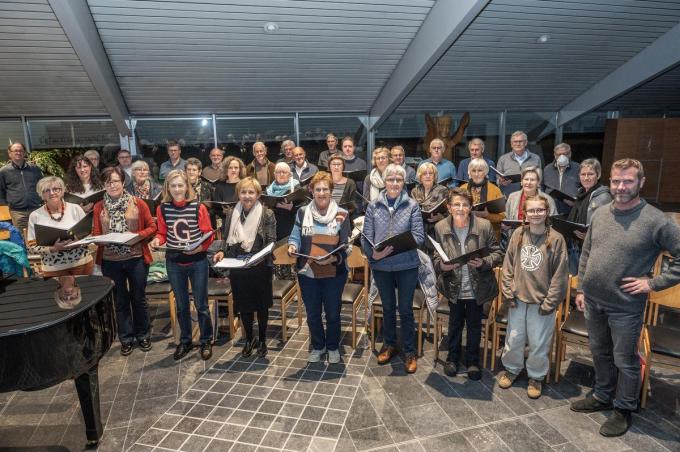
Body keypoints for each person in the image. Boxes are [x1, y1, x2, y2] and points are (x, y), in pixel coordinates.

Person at [570, 158, 680, 437]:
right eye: (616, 181)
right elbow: (587, 253)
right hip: (593, 301)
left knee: (625, 360)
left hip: (625, 307)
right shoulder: (602, 213)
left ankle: (624, 408)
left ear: (641, 182)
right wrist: (581, 288)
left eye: (628, 181)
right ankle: (602, 395)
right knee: (599, 352)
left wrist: (653, 283)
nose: (621, 186)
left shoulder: (656, 220)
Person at [497, 194, 568, 399]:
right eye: (531, 210)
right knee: (514, 338)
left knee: (538, 343)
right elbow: (508, 265)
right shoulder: (518, 234)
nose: (535, 214)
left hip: (541, 302)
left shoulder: (556, 239)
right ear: (525, 213)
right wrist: (508, 291)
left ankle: (536, 376)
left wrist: (550, 302)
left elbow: (560, 276)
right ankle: (512, 368)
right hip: (517, 299)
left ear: (547, 212)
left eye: (540, 210)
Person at [433, 188, 503, 380]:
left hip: (477, 285)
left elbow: (497, 253)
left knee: (473, 325)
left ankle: (472, 361)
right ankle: (452, 359)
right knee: (454, 325)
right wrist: (441, 266)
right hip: (453, 285)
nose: (460, 208)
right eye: (456, 204)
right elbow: (436, 255)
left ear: (471, 207)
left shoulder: (484, 226)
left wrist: (485, 262)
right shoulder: (440, 227)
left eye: (465, 204)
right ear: (449, 207)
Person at [362, 164, 425, 373]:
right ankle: (389, 345)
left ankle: (409, 351)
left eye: (399, 179)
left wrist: (396, 246)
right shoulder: (373, 206)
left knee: (405, 309)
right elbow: (366, 237)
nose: (395, 183)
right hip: (381, 265)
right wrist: (374, 254)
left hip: (406, 264)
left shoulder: (412, 206)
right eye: (391, 179)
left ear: (404, 182)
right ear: (385, 182)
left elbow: (418, 236)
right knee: (388, 308)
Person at [150, 170, 214, 361]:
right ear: (167, 188)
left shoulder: (198, 207)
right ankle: (185, 341)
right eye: (173, 185)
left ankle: (206, 340)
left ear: (187, 186)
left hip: (197, 261)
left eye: (180, 185)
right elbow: (162, 233)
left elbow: (208, 233)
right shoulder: (162, 208)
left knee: (201, 304)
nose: (177, 189)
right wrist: (156, 240)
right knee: (182, 305)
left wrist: (199, 248)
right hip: (174, 262)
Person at [93, 167, 157, 356]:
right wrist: (97, 239)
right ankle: (126, 338)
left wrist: (136, 236)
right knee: (120, 301)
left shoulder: (138, 203)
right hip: (110, 261)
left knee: (139, 298)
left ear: (123, 182)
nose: (112, 185)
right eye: (107, 182)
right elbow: (96, 234)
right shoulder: (98, 207)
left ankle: (143, 335)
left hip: (136, 258)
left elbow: (153, 226)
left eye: (115, 181)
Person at [288, 172, 350, 363]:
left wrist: (332, 258)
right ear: (311, 191)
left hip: (334, 273)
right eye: (318, 189)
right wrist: (293, 246)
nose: (321, 193)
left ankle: (332, 347)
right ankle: (318, 345)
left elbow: (346, 244)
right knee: (313, 313)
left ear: (331, 191)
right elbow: (296, 235)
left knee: (332, 313)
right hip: (308, 271)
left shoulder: (343, 214)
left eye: (325, 189)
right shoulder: (302, 212)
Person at [213, 177, 276, 358]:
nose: (247, 196)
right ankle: (249, 339)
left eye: (251, 192)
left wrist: (258, 258)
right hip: (238, 266)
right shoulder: (232, 213)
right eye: (243, 192)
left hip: (260, 265)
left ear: (258, 194)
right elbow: (227, 241)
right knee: (244, 306)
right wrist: (222, 253)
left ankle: (262, 340)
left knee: (262, 306)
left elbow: (271, 242)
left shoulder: (267, 214)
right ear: (238, 194)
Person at [27, 176, 94, 277]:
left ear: (62, 191)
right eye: (46, 190)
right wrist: (53, 249)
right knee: (57, 293)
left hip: (81, 263)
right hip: (53, 268)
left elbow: (90, 235)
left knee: (87, 292)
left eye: (55, 189)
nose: (52, 193)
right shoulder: (35, 216)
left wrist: (78, 243)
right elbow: (31, 246)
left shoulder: (76, 209)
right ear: (41, 195)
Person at [565, 158, 612, 275]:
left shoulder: (604, 197)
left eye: (590, 174)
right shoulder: (581, 194)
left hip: (592, 249)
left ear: (598, 175)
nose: (586, 178)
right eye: (583, 174)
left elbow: (609, 226)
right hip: (576, 246)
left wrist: (590, 236)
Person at [0, 142, 43, 235]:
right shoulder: (4, 171)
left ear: (24, 153)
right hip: (17, 213)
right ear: (10, 153)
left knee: (40, 236)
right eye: (15, 151)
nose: (18, 153)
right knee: (22, 239)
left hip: (36, 209)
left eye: (20, 150)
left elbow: (42, 186)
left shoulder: (35, 169)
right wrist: (7, 208)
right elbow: (1, 192)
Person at [460, 158, 505, 240]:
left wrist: (487, 215)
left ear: (485, 172)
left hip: (489, 235)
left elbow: (502, 217)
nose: (476, 174)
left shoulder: (495, 190)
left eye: (480, 170)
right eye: (473, 171)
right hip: (465, 234)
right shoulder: (462, 189)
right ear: (469, 172)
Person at [496, 131, 543, 196]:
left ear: (526, 143)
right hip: (509, 197)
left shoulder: (535, 158)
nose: (518, 144)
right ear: (511, 144)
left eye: (520, 141)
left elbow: (539, 179)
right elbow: (497, 179)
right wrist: (500, 182)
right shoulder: (503, 159)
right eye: (515, 142)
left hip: (531, 197)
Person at [411, 162, 448, 244]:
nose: (428, 176)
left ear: (434, 176)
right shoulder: (415, 191)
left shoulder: (443, 190)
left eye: (430, 173)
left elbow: (449, 212)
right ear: (420, 177)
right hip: (419, 228)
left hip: (437, 228)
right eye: (424, 173)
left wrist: (440, 217)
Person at [266, 162, 300, 241]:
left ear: (289, 174)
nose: (281, 174)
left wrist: (292, 208)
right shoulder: (269, 189)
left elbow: (303, 206)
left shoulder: (296, 187)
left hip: (290, 224)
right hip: (273, 226)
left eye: (284, 172)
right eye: (278, 172)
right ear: (274, 174)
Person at [543, 143, 580, 215]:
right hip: (550, 209)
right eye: (559, 154)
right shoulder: (547, 169)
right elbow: (542, 187)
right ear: (554, 155)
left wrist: (577, 202)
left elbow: (584, 188)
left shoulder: (578, 168)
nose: (562, 157)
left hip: (570, 209)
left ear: (570, 154)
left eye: (565, 154)